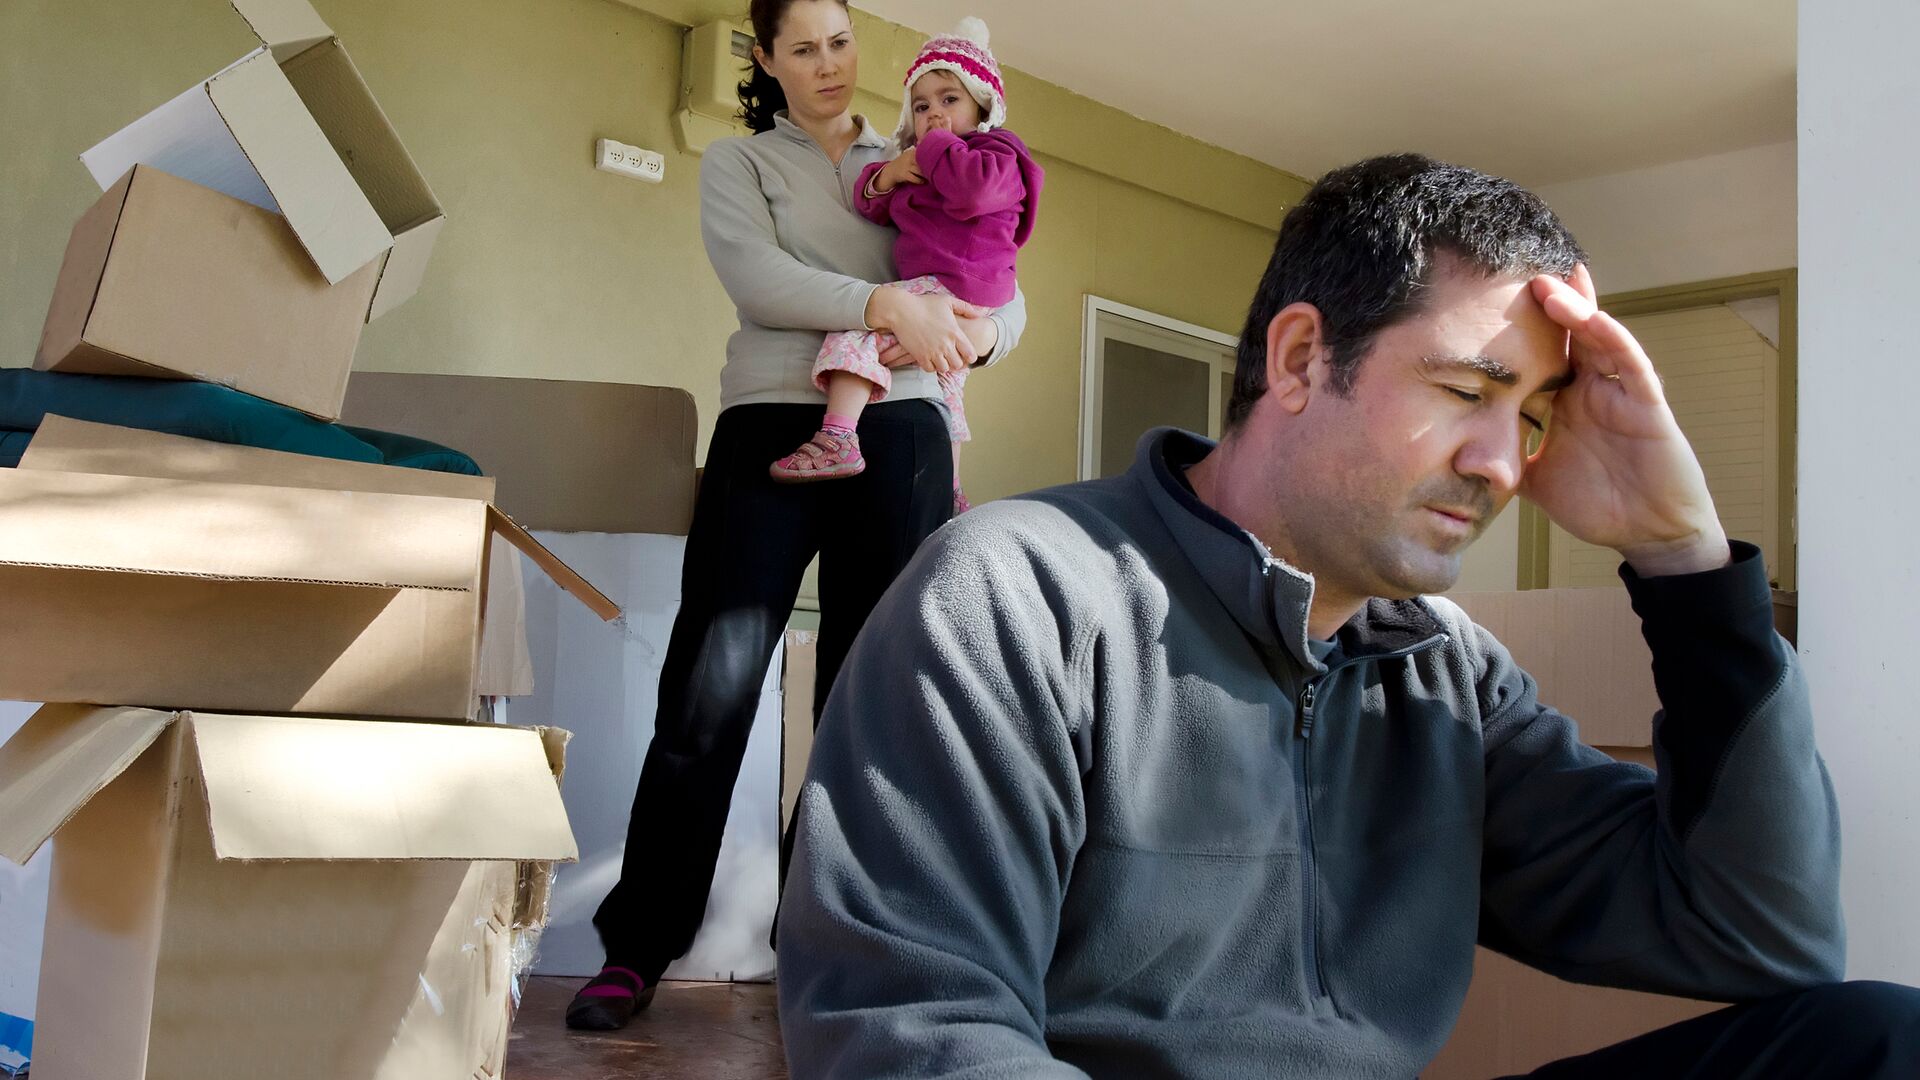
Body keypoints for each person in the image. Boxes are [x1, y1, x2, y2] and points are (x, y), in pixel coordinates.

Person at [775, 153, 1920, 1076]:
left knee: (1879, 1041)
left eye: (1530, 417)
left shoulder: (1446, 673)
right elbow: (911, 1029)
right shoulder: (1018, 595)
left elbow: (1762, 932)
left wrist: (1685, 560)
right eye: (1469, 391)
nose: (1501, 462)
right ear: (1301, 356)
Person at [564, 0, 1026, 1032]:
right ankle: (639, 947)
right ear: (766, 60)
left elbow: (1003, 279)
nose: (829, 65)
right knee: (708, 692)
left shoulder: (923, 143)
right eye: (804, 48)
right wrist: (885, 304)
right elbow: (759, 278)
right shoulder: (744, 165)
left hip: (901, 434)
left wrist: (977, 335)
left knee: (871, 707)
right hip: (770, 423)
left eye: (843, 42)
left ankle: (830, 952)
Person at [768, 16, 1042, 518]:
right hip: (951, 286)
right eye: (921, 106)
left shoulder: (996, 152)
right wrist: (888, 173)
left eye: (949, 99)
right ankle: (955, 490)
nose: (934, 114)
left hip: (961, 278)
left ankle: (837, 437)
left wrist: (934, 144)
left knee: (857, 330)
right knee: (945, 382)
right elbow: (874, 207)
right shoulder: (924, 164)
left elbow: (975, 191)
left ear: (982, 104)